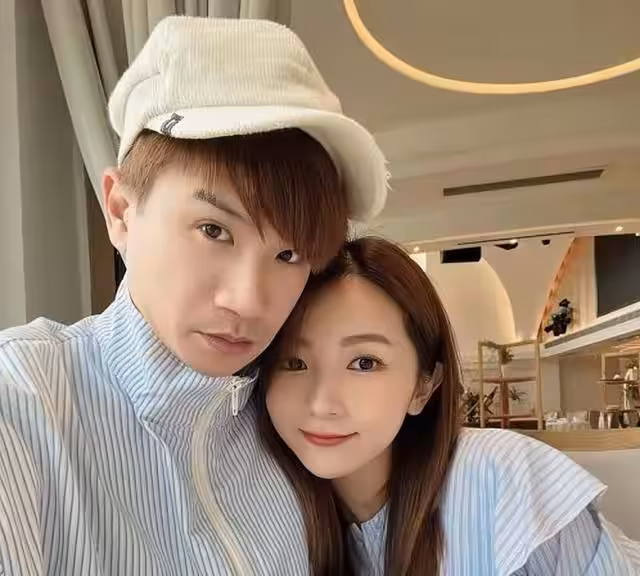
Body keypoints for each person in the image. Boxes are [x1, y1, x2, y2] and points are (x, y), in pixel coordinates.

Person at [0, 16, 387, 576]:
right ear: (121, 211)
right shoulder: (21, 405)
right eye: (213, 230)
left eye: (290, 254)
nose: (248, 301)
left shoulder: (291, 418)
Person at [258, 237, 640, 576]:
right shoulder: (264, 512)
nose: (321, 403)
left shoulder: (500, 481)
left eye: (365, 363)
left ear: (424, 386)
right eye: (294, 362)